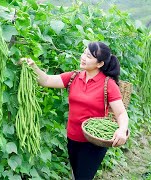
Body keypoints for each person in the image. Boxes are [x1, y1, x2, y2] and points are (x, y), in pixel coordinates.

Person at [20, 42, 129, 180]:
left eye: (88, 56)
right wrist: (32, 66)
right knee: (77, 175)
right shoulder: (74, 77)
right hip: (72, 138)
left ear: (99, 64)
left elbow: (121, 113)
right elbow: (46, 80)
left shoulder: (108, 84)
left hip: (93, 143)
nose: (83, 57)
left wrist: (122, 130)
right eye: (84, 53)